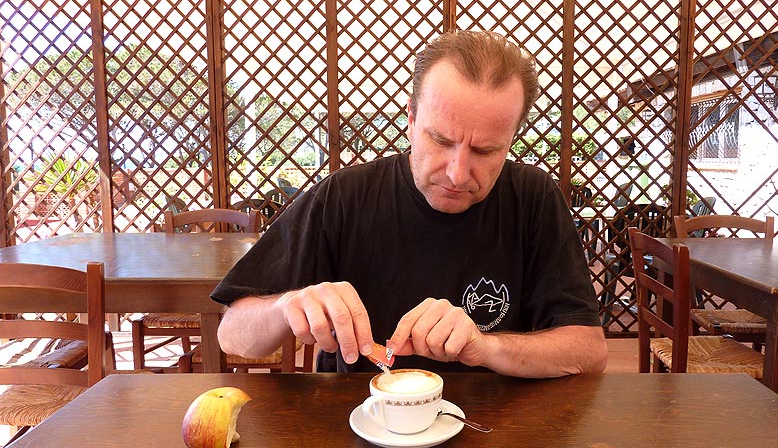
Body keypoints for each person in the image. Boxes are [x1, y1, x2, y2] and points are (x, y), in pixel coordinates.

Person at [213, 30, 607, 378]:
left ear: (511, 140)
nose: (457, 174)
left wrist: (486, 347)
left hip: (495, 427)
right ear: (411, 119)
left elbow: (588, 351)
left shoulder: (533, 198)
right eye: (441, 140)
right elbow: (232, 335)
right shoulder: (343, 197)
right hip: (358, 422)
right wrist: (286, 306)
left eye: (486, 150)